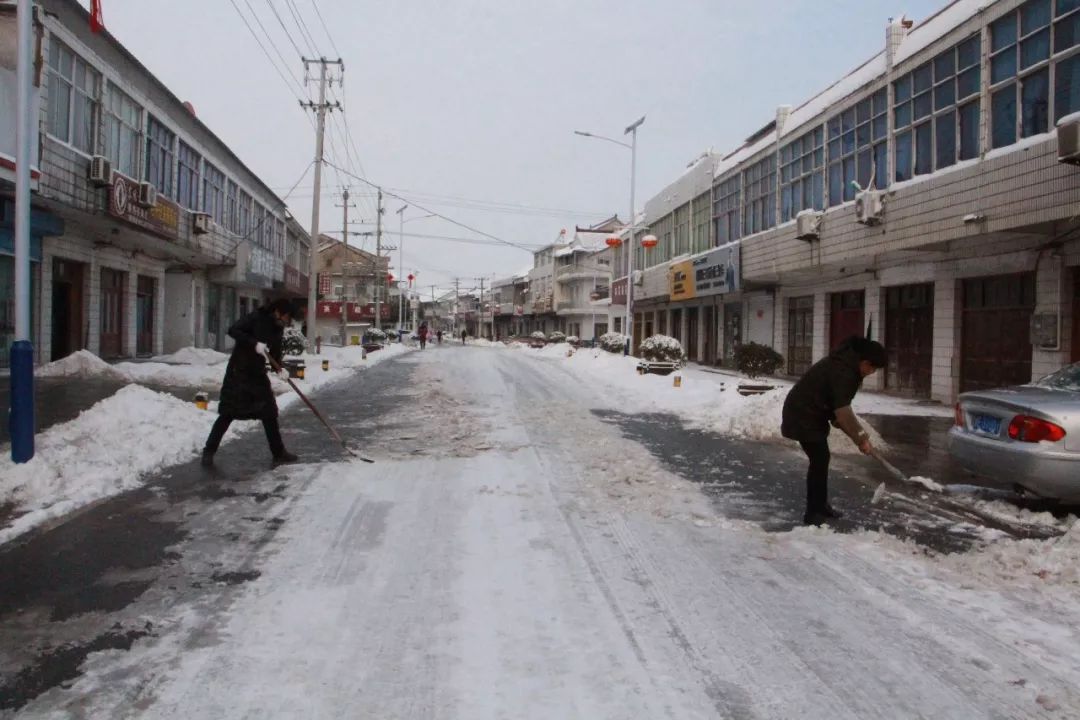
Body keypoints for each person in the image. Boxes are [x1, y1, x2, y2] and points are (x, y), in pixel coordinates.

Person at [781, 335, 887, 526]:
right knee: (819, 459)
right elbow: (843, 412)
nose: (872, 372)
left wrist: (854, 434)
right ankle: (813, 512)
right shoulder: (844, 372)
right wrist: (861, 438)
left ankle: (820, 506)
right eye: (872, 368)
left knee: (821, 459)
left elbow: (837, 410)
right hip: (802, 414)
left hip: (811, 413)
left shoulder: (846, 366)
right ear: (864, 362)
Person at [202, 298, 299, 467]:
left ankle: (278, 452)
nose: (288, 321)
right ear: (278, 312)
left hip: (257, 375)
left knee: (269, 413)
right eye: (287, 317)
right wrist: (254, 343)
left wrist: (280, 369)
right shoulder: (256, 317)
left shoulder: (278, 328)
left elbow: (275, 353)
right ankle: (209, 451)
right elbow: (233, 330)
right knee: (228, 413)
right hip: (238, 372)